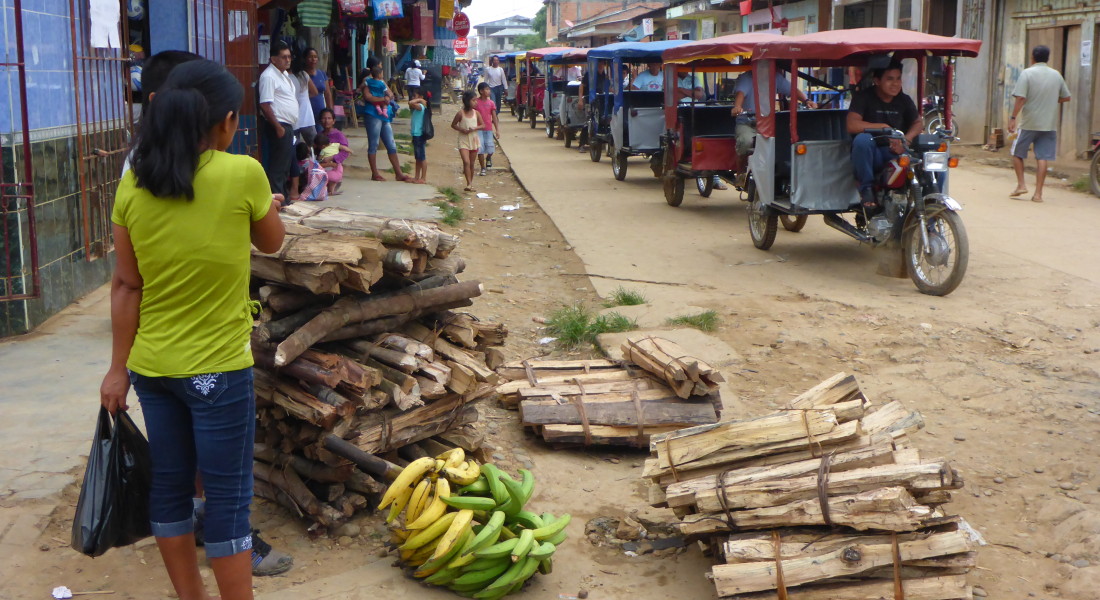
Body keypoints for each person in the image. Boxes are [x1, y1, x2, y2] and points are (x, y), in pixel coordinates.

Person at [102, 59, 286, 600]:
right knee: (228, 501)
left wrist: (117, 370)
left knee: (171, 490)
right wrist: (266, 207)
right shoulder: (243, 173)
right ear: (227, 122)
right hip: (218, 372)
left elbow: (125, 285)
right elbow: (272, 243)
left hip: (152, 370)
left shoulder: (134, 182)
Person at [846, 60, 921, 210]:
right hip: (873, 154)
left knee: (930, 160)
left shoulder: (904, 100)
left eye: (898, 78)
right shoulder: (863, 97)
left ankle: (928, 203)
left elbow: (918, 123)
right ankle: (866, 189)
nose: (895, 84)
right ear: (877, 81)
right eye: (890, 79)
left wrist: (906, 140)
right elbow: (852, 125)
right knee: (862, 140)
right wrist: (882, 127)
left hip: (896, 152)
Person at [1008, 45, 1071, 203]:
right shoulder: (1056, 75)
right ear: (1047, 58)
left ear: (1032, 57)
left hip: (1029, 122)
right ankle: (1038, 194)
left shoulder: (1027, 73)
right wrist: (1050, 100)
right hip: (1048, 123)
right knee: (1042, 157)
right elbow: (1066, 97)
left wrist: (1013, 117)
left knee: (1017, 153)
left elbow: (1021, 98)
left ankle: (1021, 184)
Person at [259, 41, 299, 199]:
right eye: (283, 57)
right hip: (278, 125)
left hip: (287, 125)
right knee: (278, 165)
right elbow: (265, 104)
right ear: (273, 59)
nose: (287, 60)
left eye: (289, 57)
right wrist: (278, 127)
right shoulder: (269, 76)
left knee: (285, 165)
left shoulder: (283, 74)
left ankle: (283, 198)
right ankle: (277, 200)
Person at [359, 66, 410, 182]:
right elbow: (368, 97)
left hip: (382, 115)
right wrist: (384, 99)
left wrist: (385, 98)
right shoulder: (368, 81)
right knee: (374, 144)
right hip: (372, 114)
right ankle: (375, 173)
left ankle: (398, 173)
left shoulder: (379, 82)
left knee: (391, 144)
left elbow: (390, 94)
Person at [289, 53, 319, 202]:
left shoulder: (289, 78)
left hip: (294, 119)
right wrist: (305, 98)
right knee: (315, 147)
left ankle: (297, 181)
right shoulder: (304, 75)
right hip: (307, 116)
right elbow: (315, 92)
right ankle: (317, 176)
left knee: (294, 151)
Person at [451, 91, 483, 191]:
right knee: (466, 162)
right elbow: (453, 124)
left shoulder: (476, 113)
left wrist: (475, 128)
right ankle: (468, 183)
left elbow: (483, 125)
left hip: (474, 139)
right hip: (463, 140)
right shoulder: (460, 113)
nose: (475, 102)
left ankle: (470, 183)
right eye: (473, 100)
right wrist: (462, 129)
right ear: (467, 101)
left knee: (472, 163)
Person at [316, 108, 350, 194]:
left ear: (334, 121)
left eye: (329, 118)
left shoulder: (339, 135)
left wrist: (332, 158)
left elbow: (345, 152)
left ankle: (333, 183)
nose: (326, 121)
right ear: (320, 121)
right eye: (324, 118)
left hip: (334, 165)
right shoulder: (319, 135)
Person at [473, 82, 499, 175]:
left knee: (490, 149)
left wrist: (497, 130)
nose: (489, 91)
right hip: (478, 129)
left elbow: (494, 117)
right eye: (487, 89)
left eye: (489, 89)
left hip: (488, 129)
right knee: (480, 149)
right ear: (481, 91)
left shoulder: (491, 103)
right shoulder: (475, 102)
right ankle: (482, 168)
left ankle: (488, 157)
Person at [303, 47, 333, 125]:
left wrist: (330, 112)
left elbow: (327, 94)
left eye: (315, 57)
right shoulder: (302, 75)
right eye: (310, 57)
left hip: (321, 114)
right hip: (306, 114)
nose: (313, 59)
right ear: (305, 59)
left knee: (321, 136)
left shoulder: (322, 74)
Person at [408, 88, 429, 184]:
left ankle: (423, 177)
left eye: (415, 96)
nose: (413, 98)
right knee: (418, 157)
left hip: (419, 134)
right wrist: (419, 98)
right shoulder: (419, 106)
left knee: (422, 156)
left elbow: (411, 103)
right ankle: (417, 176)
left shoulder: (421, 106)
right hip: (416, 134)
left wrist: (420, 100)